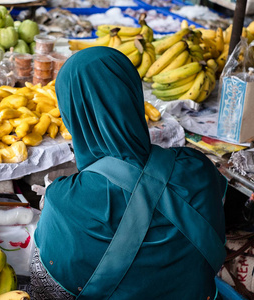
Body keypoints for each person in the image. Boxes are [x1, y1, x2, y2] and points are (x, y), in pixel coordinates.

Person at [29, 46, 227, 300]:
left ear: (72, 114)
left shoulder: (66, 201)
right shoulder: (199, 168)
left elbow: (45, 289)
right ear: (134, 97)